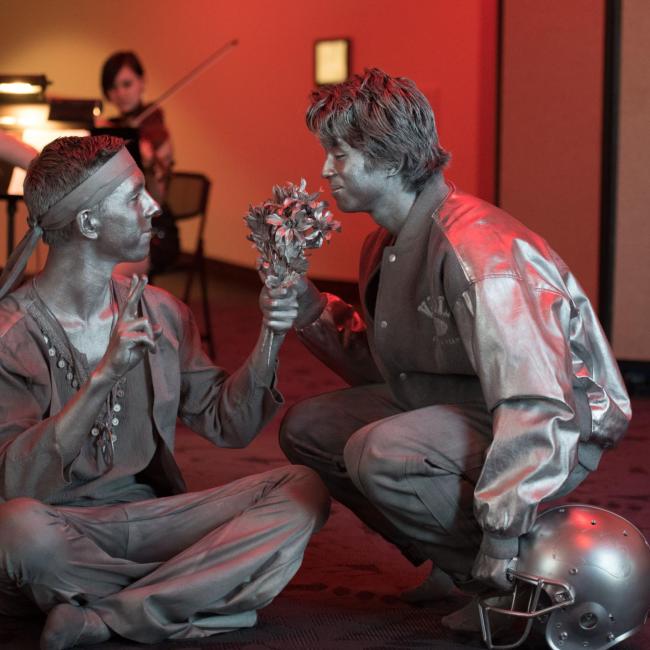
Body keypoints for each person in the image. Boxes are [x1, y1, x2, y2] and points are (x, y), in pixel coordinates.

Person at [279, 68, 631, 630]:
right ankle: (453, 561)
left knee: (382, 451)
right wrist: (307, 306)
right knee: (311, 428)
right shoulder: (384, 242)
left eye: (339, 154)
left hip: (556, 426)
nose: (325, 169)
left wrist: (501, 530)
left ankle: (505, 584)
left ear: (390, 160)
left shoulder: (478, 253)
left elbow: (538, 402)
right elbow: (391, 364)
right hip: (464, 401)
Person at [0, 135, 329, 649]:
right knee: (17, 531)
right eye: (134, 196)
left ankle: (103, 617)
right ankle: (199, 593)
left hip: (153, 519)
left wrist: (270, 334)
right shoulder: (10, 334)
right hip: (61, 528)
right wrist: (102, 378)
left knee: (301, 489)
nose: (154, 207)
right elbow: (20, 483)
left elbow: (229, 425)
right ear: (87, 224)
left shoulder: (162, 312)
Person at [100, 50, 178, 273]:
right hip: (114, 225)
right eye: (113, 88)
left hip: (152, 230)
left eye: (127, 84)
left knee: (108, 275)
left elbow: (158, 198)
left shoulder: (156, 133)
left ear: (142, 82)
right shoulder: (109, 128)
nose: (121, 93)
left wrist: (148, 163)